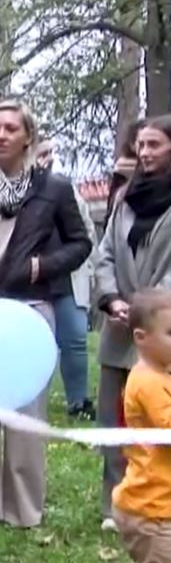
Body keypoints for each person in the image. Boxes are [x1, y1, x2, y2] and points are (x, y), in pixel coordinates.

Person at [0, 100, 92, 529]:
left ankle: (24, 509)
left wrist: (41, 266)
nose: (1, 136)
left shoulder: (55, 188)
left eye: (11, 128)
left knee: (26, 412)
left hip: (29, 312)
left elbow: (80, 243)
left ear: (28, 135)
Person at [95, 114, 171, 532]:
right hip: (118, 326)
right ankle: (115, 503)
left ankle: (159, 502)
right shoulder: (124, 197)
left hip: (162, 329)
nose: (144, 153)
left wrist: (147, 306)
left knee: (158, 416)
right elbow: (105, 251)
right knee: (114, 417)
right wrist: (110, 298)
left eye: (154, 145)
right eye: (140, 145)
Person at [37, 137, 99, 419]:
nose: (46, 159)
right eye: (41, 153)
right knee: (39, 344)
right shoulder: (16, 191)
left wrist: (92, 270)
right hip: (35, 279)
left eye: (50, 153)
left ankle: (78, 401)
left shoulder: (67, 189)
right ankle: (34, 402)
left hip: (70, 277)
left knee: (74, 339)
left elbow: (87, 234)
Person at [112, 288, 171, 563]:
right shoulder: (148, 382)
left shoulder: (160, 375)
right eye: (170, 333)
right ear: (141, 338)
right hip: (151, 511)